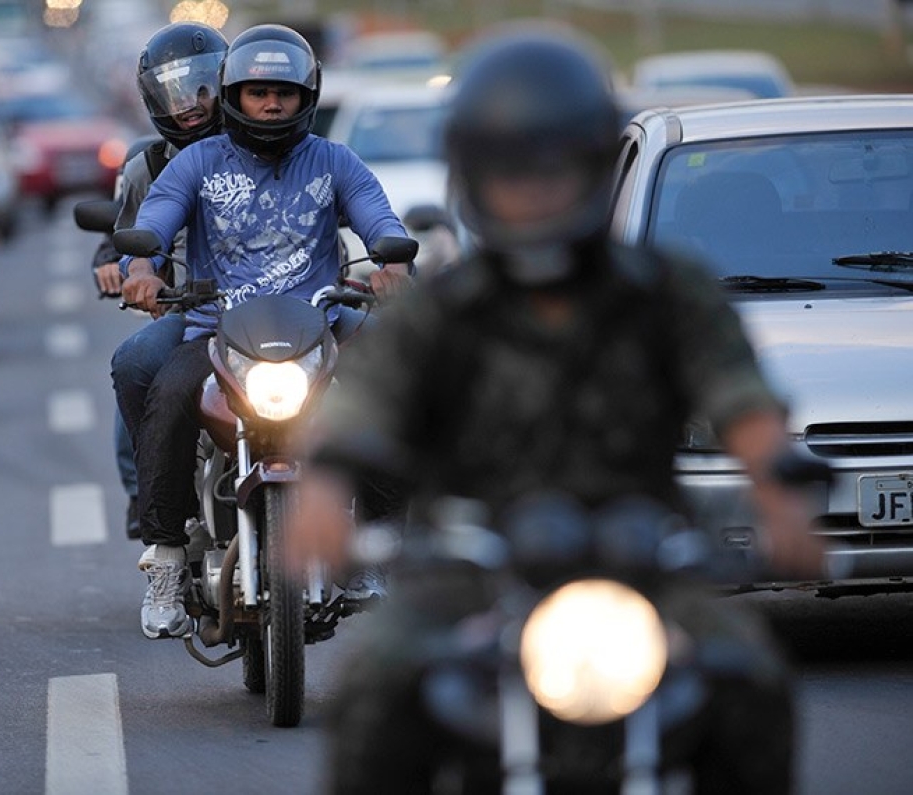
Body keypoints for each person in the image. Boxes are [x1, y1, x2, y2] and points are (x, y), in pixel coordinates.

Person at [285, 24, 826, 794]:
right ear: (474, 176)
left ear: (596, 168)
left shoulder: (667, 292)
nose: (532, 191)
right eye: (510, 173)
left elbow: (738, 393)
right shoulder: (441, 309)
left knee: (752, 678)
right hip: (469, 565)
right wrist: (324, 486)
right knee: (378, 681)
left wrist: (776, 482)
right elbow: (369, 397)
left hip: (643, 562)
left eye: (554, 171)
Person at [118, 23, 414, 639]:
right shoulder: (199, 160)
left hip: (323, 326)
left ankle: (376, 545)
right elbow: (155, 217)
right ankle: (167, 559)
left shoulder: (335, 160)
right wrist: (142, 265)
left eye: (284, 91)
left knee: (395, 386)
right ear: (233, 95)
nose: (271, 104)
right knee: (169, 396)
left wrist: (393, 262)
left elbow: (377, 215)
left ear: (308, 96)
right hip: (216, 330)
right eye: (257, 93)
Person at [90, 21, 229, 539]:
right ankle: (154, 497)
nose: (190, 103)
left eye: (201, 85)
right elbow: (129, 236)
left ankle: (368, 529)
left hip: (277, 308)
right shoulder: (148, 166)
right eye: (172, 90)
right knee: (137, 365)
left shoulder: (269, 146)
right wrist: (135, 270)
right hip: (188, 309)